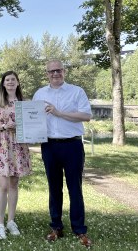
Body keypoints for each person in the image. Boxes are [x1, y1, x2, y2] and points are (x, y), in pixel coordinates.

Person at [32, 60, 92, 248]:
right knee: (54, 187)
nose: (55, 73)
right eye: (51, 71)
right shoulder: (40, 94)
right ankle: (56, 227)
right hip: (49, 146)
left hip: (72, 145)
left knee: (75, 188)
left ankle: (79, 229)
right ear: (46, 73)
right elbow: (32, 118)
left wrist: (59, 112)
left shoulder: (77, 91)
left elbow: (86, 115)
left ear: (64, 71)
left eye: (58, 70)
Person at [0, 71, 31, 239]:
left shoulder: (23, 103)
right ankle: (0, 224)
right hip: (2, 144)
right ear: (3, 83)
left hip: (19, 145)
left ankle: (11, 221)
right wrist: (5, 126)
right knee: (3, 185)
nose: (10, 82)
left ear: (18, 83)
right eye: (7, 80)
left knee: (14, 184)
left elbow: (30, 124)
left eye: (13, 80)